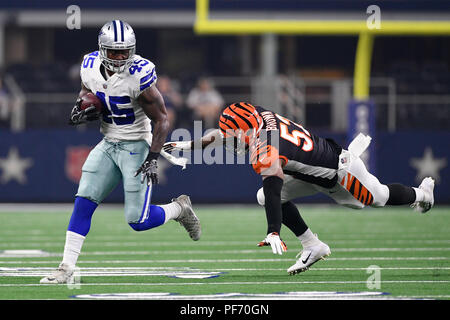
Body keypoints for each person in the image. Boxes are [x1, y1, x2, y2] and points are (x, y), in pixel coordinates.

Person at [163, 102, 435, 275]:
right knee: (263, 196)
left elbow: (272, 187)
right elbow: (220, 134)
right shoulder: (258, 117)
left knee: (379, 197)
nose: (231, 142)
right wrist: (187, 145)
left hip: (340, 173)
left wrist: (273, 230)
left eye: (236, 137)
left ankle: (423, 193)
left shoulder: (267, 148)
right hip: (309, 170)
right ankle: (312, 245)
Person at [40, 20, 201, 284]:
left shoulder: (140, 74)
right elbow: (87, 91)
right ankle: (66, 267)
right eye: (113, 52)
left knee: (138, 221)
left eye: (124, 52)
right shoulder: (89, 65)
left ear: (132, 50)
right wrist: (84, 105)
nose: (119, 57)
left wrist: (152, 157)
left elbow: (162, 119)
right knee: (83, 201)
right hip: (108, 142)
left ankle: (179, 209)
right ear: (102, 49)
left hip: (136, 144)